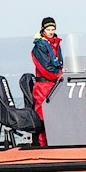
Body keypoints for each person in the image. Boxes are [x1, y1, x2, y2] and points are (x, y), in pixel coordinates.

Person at [30, 16, 64, 144]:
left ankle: (54, 142)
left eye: (53, 29)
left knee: (55, 117)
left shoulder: (55, 44)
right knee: (43, 117)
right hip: (43, 86)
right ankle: (42, 145)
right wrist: (60, 74)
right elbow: (46, 69)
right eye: (48, 29)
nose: (51, 31)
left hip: (55, 85)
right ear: (43, 29)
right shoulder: (40, 47)